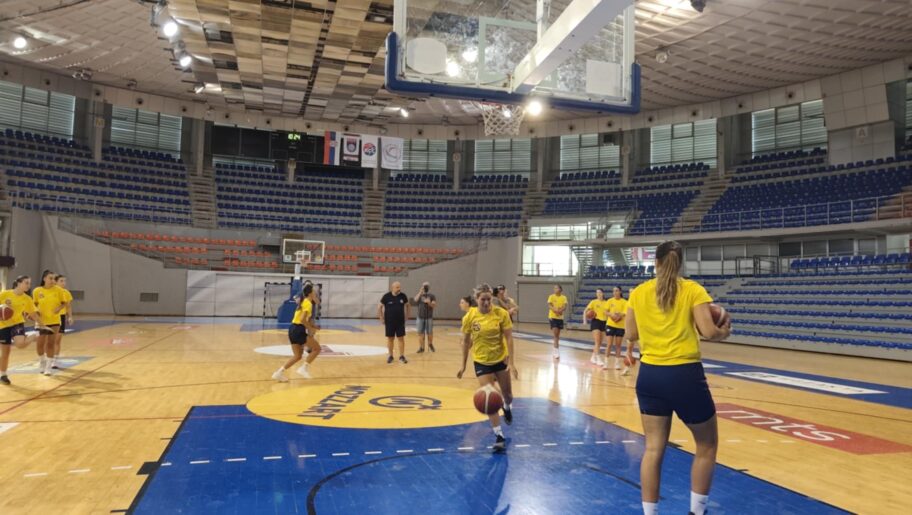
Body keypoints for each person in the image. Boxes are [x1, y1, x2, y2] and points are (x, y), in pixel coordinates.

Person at [624, 241, 731, 515]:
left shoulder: (638, 292)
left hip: (650, 376)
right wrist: (724, 331)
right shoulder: (693, 290)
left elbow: (631, 334)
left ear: (656, 262)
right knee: (706, 445)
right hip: (684, 375)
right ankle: (697, 511)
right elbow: (708, 330)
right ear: (680, 263)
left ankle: (650, 513)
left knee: (653, 449)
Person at [457, 286, 518, 453]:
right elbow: (466, 342)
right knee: (489, 396)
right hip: (481, 361)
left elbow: (509, 338)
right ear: (476, 299)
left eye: (488, 299)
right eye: (482, 299)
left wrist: (511, 363)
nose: (486, 302)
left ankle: (507, 406)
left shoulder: (501, 314)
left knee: (508, 396)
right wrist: (463, 365)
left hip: (500, 359)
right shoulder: (470, 317)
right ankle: (499, 435)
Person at [272, 283, 321, 382]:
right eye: (313, 291)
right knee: (317, 349)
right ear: (310, 293)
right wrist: (310, 329)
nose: (315, 293)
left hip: (292, 329)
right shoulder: (307, 303)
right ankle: (304, 368)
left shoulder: (304, 302)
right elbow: (303, 320)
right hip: (298, 329)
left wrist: (314, 326)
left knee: (298, 356)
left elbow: (303, 319)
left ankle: (278, 373)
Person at [0, 275, 42, 385]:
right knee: (5, 352)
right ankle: (3, 375)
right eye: (26, 283)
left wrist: (42, 324)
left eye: (29, 283)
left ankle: (34, 335)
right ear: (18, 283)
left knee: (20, 344)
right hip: (3, 325)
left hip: (17, 324)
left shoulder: (27, 299)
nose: (28, 285)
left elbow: (32, 313)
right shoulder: (5, 294)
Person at [32, 270, 62, 375]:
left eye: (54, 278)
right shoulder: (37, 291)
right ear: (44, 278)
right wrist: (35, 312)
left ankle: (48, 367)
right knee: (40, 344)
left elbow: (64, 302)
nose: (53, 280)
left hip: (54, 321)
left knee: (51, 344)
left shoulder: (58, 290)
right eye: (50, 278)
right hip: (41, 322)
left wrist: (59, 308)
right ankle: (42, 361)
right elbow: (33, 304)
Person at [379, 281, 410, 364]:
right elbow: (379, 307)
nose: (399, 289)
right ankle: (390, 356)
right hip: (389, 322)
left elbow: (408, 305)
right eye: (397, 287)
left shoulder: (403, 296)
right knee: (390, 338)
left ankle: (402, 356)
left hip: (400, 322)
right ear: (392, 288)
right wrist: (381, 317)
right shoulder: (386, 296)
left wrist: (407, 315)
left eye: (399, 287)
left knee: (401, 338)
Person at [604, 286, 629, 372]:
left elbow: (625, 313)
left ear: (620, 292)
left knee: (618, 345)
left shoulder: (625, 302)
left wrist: (618, 317)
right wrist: (612, 315)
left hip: (620, 326)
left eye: (617, 291)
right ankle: (606, 362)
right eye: (613, 291)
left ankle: (617, 363)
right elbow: (605, 311)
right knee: (609, 344)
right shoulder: (609, 301)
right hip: (610, 325)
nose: (615, 292)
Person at [52, 275, 74, 369]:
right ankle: (47, 357)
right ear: (55, 282)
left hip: (61, 317)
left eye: (64, 281)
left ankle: (54, 361)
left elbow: (68, 306)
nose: (63, 283)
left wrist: (70, 317)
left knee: (57, 340)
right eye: (61, 281)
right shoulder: (50, 291)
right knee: (48, 340)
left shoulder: (66, 293)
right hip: (50, 317)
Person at [583, 288, 609, 366]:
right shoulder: (593, 302)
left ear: (603, 293)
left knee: (599, 343)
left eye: (600, 292)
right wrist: (585, 320)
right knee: (597, 341)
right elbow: (585, 311)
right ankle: (598, 358)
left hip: (604, 322)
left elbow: (609, 312)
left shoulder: (606, 302)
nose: (598, 294)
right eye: (597, 292)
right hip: (596, 322)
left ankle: (593, 357)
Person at [413, 282, 437, 353]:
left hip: (429, 317)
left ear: (429, 287)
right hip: (420, 317)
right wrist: (420, 292)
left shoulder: (432, 296)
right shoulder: (420, 295)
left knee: (430, 332)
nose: (425, 287)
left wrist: (429, 303)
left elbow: (434, 305)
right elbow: (415, 300)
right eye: (424, 286)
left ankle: (430, 344)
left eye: (426, 286)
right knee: (420, 333)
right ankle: (421, 347)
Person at [546, 285, 567, 360]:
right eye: (554, 288)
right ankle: (556, 351)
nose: (555, 289)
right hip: (552, 317)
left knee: (558, 335)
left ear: (560, 289)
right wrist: (555, 310)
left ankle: (556, 349)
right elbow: (549, 305)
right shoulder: (551, 296)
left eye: (556, 288)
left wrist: (560, 311)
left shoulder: (563, 297)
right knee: (555, 334)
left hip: (560, 317)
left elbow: (565, 306)